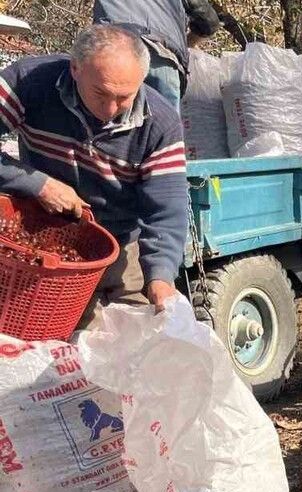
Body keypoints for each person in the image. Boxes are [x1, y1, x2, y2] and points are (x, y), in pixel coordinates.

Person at [0, 25, 189, 322]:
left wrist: (161, 277)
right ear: (75, 69)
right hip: (40, 239)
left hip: (119, 243)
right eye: (101, 93)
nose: (111, 108)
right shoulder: (28, 81)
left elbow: (167, 210)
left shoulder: (161, 124)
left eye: (124, 97)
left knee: (134, 344)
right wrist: (37, 184)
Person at [92, 0, 223, 107]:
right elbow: (210, 23)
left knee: (111, 131)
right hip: (161, 57)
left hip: (114, 53)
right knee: (167, 131)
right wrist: (188, 43)